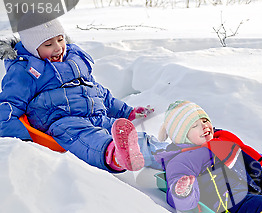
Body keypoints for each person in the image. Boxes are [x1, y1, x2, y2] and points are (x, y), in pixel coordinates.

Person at [0, 18, 152, 172]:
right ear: (32, 48)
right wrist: (24, 141)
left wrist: (126, 111)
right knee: (86, 136)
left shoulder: (74, 61)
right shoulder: (25, 71)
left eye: (60, 39)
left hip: (95, 115)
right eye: (48, 44)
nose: (58, 48)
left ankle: (160, 153)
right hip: (61, 122)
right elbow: (9, 107)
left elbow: (98, 91)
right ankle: (114, 155)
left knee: (122, 132)